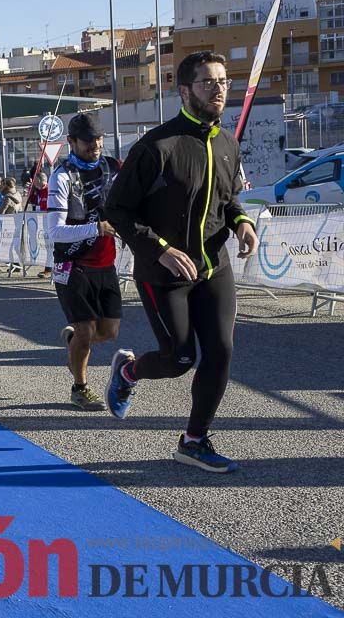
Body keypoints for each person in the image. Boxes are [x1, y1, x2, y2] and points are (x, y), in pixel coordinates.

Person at [104, 52, 258, 474]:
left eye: (224, 81)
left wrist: (242, 222)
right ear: (184, 90)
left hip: (214, 266)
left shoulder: (227, 143)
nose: (219, 89)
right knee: (179, 359)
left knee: (221, 352)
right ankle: (129, 371)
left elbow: (227, 199)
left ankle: (193, 440)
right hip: (164, 272)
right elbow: (116, 208)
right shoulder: (157, 146)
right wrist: (160, 249)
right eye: (208, 82)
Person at [45, 113, 122, 411]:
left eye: (99, 139)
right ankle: (80, 388)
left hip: (105, 262)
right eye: (88, 141)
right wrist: (97, 228)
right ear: (72, 142)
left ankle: (75, 341)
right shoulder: (62, 176)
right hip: (72, 265)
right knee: (87, 333)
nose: (96, 145)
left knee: (110, 331)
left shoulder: (112, 167)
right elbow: (55, 231)